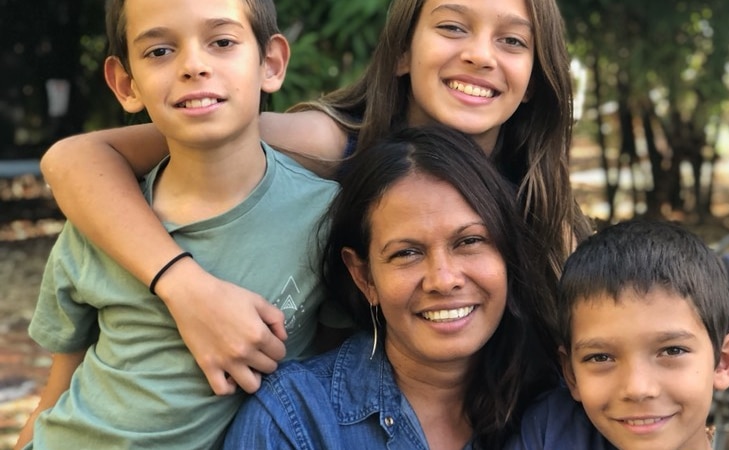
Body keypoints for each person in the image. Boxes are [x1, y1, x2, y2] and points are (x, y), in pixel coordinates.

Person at [38, 0, 592, 395]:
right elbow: (75, 160)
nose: (480, 55)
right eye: (452, 26)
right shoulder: (332, 143)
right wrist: (185, 287)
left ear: (535, 74)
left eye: (512, 40)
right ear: (402, 51)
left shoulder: (542, 209)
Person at [14, 0, 339, 448]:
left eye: (222, 42)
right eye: (160, 51)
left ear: (271, 63)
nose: (193, 65)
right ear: (126, 85)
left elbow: (335, 375)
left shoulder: (326, 217)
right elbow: (55, 391)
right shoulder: (101, 221)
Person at [222, 125, 562, 449]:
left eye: (469, 241)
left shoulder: (564, 407)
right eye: (407, 253)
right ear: (364, 277)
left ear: (506, 253)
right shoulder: (294, 418)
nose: (443, 280)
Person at [508, 220, 729, 450]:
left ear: (724, 361)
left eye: (672, 351)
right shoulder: (549, 431)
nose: (637, 388)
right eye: (600, 357)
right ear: (571, 374)